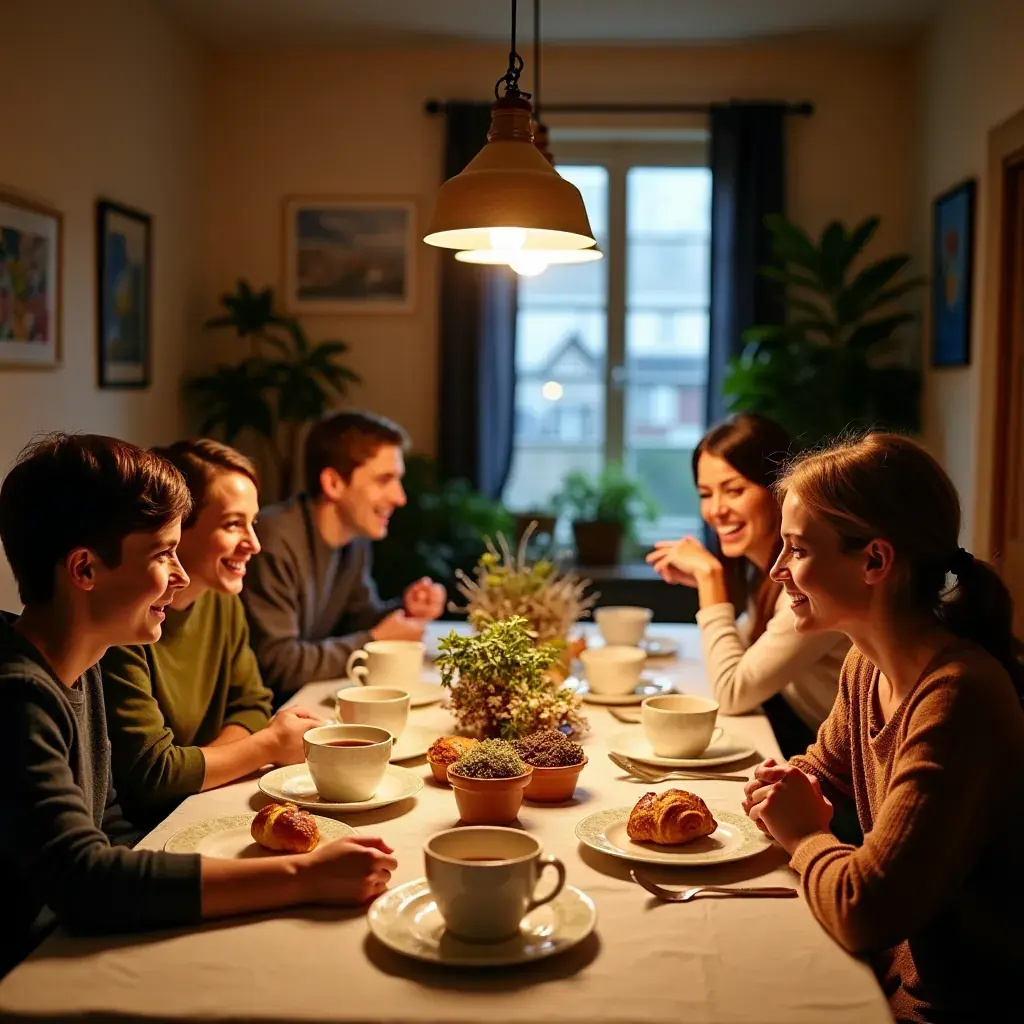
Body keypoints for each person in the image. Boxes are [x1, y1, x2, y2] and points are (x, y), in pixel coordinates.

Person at [0, 434, 396, 977]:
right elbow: (83, 880)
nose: (182, 575)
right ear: (85, 570)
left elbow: (113, 828)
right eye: (163, 554)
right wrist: (303, 879)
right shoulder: (19, 697)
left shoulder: (81, 667)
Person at [742, 433, 1024, 1022]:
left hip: (947, 1005)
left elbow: (864, 910)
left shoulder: (957, 697)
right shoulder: (866, 665)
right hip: (889, 973)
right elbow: (818, 771)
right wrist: (780, 789)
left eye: (797, 549)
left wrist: (803, 834)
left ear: (875, 560)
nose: (777, 570)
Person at [100, 440, 319, 827]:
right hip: (150, 828)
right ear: (176, 526)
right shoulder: (126, 622)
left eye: (253, 523)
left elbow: (252, 703)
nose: (254, 544)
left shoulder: (222, 598)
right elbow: (154, 775)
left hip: (200, 804)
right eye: (233, 524)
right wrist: (265, 745)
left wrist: (209, 765)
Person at [646, 414, 848, 754]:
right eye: (705, 494)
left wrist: (711, 580)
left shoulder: (809, 582)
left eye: (734, 490)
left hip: (855, 771)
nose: (716, 510)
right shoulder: (765, 572)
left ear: (779, 488)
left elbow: (731, 692)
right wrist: (710, 586)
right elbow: (742, 654)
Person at [242, 410, 445, 699]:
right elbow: (279, 664)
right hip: (275, 710)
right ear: (333, 483)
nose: (400, 497)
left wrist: (406, 611)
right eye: (384, 480)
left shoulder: (355, 537)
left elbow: (358, 619)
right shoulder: (274, 540)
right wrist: (374, 641)